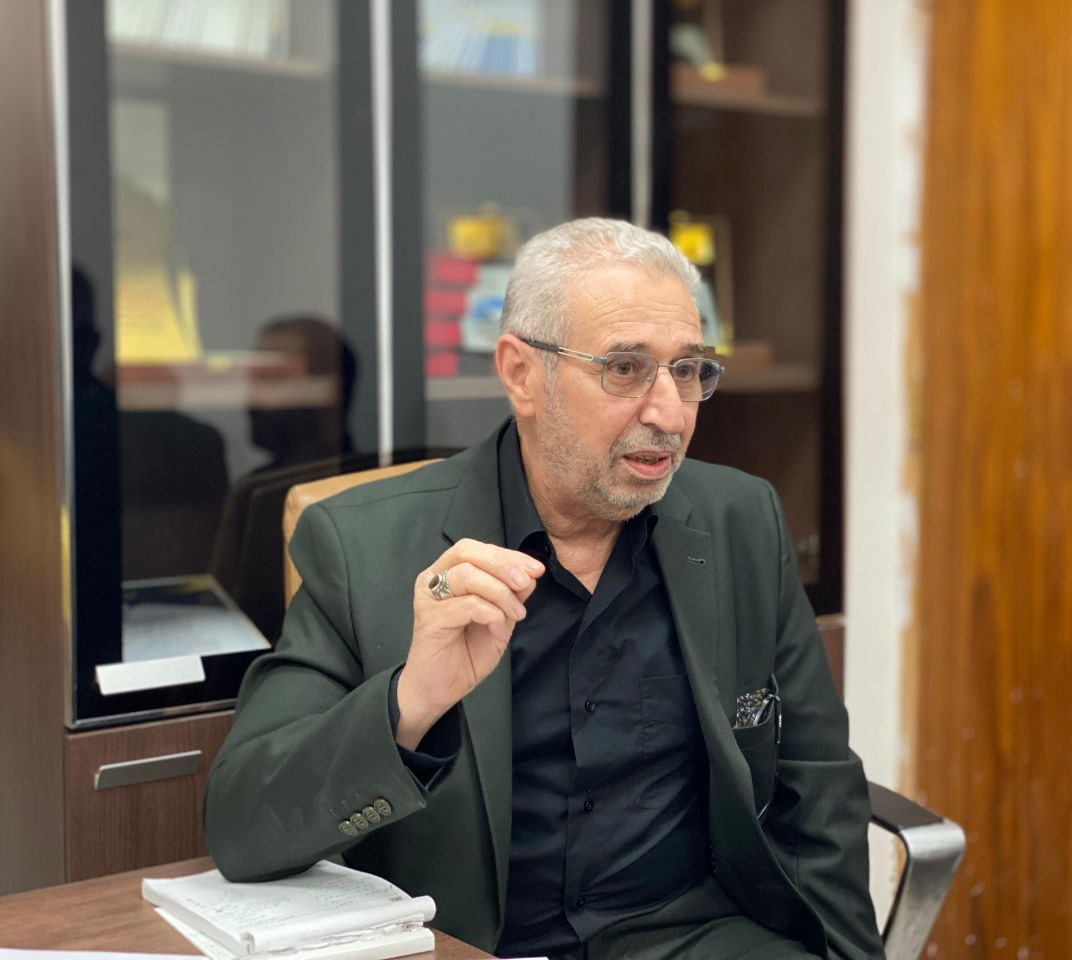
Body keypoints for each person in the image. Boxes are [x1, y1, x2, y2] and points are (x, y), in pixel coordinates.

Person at [204, 219, 884, 960]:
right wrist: (411, 701)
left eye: (688, 369)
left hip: (696, 939)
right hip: (472, 946)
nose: (669, 412)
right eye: (625, 368)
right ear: (521, 374)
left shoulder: (740, 520)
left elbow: (817, 785)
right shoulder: (362, 545)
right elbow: (241, 827)